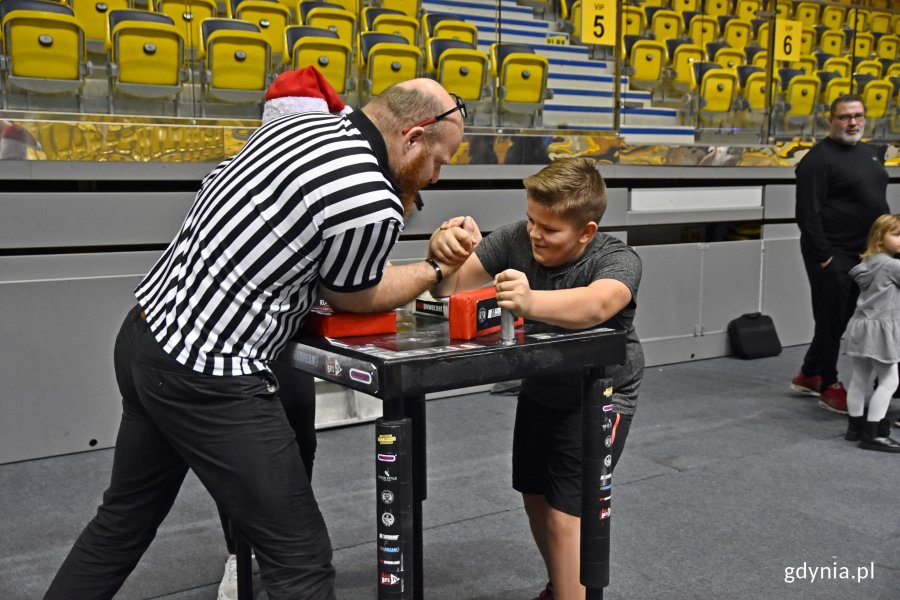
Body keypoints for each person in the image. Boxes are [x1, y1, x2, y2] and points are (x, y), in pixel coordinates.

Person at [43, 78, 475, 600]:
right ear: (412, 136)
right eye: (439, 161)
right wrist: (434, 266)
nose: (435, 176)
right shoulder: (368, 195)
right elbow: (355, 296)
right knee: (301, 561)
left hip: (144, 335)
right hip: (210, 369)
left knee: (122, 522)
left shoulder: (298, 128)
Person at [428, 157, 643, 600]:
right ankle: (561, 586)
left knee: (567, 515)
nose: (534, 234)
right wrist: (442, 252)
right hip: (542, 386)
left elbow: (598, 305)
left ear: (586, 231)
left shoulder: (618, 258)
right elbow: (450, 288)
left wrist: (530, 301)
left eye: (550, 229)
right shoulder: (516, 237)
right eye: (531, 220)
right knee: (534, 494)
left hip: (599, 394)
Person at [212, 65, 350, 600]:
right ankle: (237, 553)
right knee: (240, 460)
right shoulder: (236, 174)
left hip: (288, 337)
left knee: (298, 443)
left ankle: (277, 543)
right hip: (234, 344)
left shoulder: (330, 180)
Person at [791, 94, 890, 414]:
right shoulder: (817, 160)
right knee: (832, 320)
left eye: (858, 116)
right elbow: (808, 213)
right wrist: (825, 258)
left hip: (865, 252)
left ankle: (808, 373)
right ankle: (828, 382)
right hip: (833, 253)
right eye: (845, 117)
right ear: (831, 120)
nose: (853, 122)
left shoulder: (869, 153)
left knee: (843, 318)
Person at [842, 214, 900, 452]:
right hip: (880, 329)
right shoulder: (892, 266)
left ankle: (855, 426)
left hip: (860, 326)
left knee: (859, 378)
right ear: (879, 239)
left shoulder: (866, 265)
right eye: (896, 234)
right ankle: (872, 433)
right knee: (890, 380)